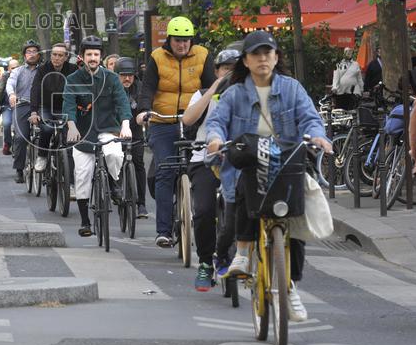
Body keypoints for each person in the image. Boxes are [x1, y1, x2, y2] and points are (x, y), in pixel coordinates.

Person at [206, 31, 331, 321]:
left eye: (268, 53)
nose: (263, 59)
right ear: (246, 61)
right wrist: (214, 138)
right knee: (245, 184)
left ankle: (291, 288)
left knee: (296, 224)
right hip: (249, 162)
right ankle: (243, 251)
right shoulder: (234, 93)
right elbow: (217, 122)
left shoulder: (292, 89)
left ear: (276, 57)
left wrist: (318, 137)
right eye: (256, 54)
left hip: (287, 163)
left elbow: (310, 118)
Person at [136, 16, 215, 248]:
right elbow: (148, 88)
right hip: (163, 121)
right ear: (169, 39)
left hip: (195, 122)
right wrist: (144, 111)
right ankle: (164, 231)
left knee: (203, 168)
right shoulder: (156, 57)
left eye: (186, 40)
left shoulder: (202, 55)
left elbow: (210, 88)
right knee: (165, 171)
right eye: (178, 40)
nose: (182, 44)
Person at [181, 47, 240, 291]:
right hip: (205, 159)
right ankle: (206, 262)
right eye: (226, 69)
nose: (230, 75)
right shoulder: (204, 93)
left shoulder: (246, 94)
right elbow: (188, 119)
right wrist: (213, 90)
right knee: (204, 210)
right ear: (216, 71)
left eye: (235, 70)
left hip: (236, 160)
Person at [63, 36, 132, 236]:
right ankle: (85, 222)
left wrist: (125, 124)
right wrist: (72, 127)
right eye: (89, 54)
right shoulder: (73, 79)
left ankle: (114, 182)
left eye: (96, 54)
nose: (92, 58)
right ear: (82, 57)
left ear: (100, 56)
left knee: (115, 155)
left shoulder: (111, 78)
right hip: (83, 133)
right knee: (82, 176)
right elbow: (68, 104)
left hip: (108, 129)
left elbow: (122, 102)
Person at [29, 42, 77, 172]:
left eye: (60, 55)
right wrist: (34, 111)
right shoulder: (43, 69)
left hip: (65, 108)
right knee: (47, 129)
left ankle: (68, 169)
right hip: (46, 107)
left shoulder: (73, 69)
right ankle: (42, 156)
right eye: (54, 55)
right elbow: (35, 89)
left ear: (66, 57)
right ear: (51, 56)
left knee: (69, 135)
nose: (57, 58)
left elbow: (80, 88)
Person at [114, 57, 149, 219]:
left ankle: (141, 203)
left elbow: (145, 105)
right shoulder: (110, 88)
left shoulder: (140, 88)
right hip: (115, 131)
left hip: (135, 132)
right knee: (114, 160)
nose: (127, 78)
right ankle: (117, 189)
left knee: (139, 162)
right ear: (117, 75)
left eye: (130, 75)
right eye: (123, 75)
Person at [6, 40, 42, 183]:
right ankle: (19, 169)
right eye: (29, 52)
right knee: (21, 138)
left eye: (35, 52)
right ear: (24, 55)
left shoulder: (44, 70)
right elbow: (10, 83)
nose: (32, 54)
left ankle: (49, 166)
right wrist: (12, 94)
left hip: (41, 106)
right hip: (23, 105)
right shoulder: (17, 71)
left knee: (50, 132)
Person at [0, 58, 19, 155]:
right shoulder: (5, 76)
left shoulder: (23, 74)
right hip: (7, 105)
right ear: (8, 68)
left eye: (17, 67)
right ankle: (7, 143)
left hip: (21, 105)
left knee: (20, 126)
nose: (15, 70)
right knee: (6, 124)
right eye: (13, 68)